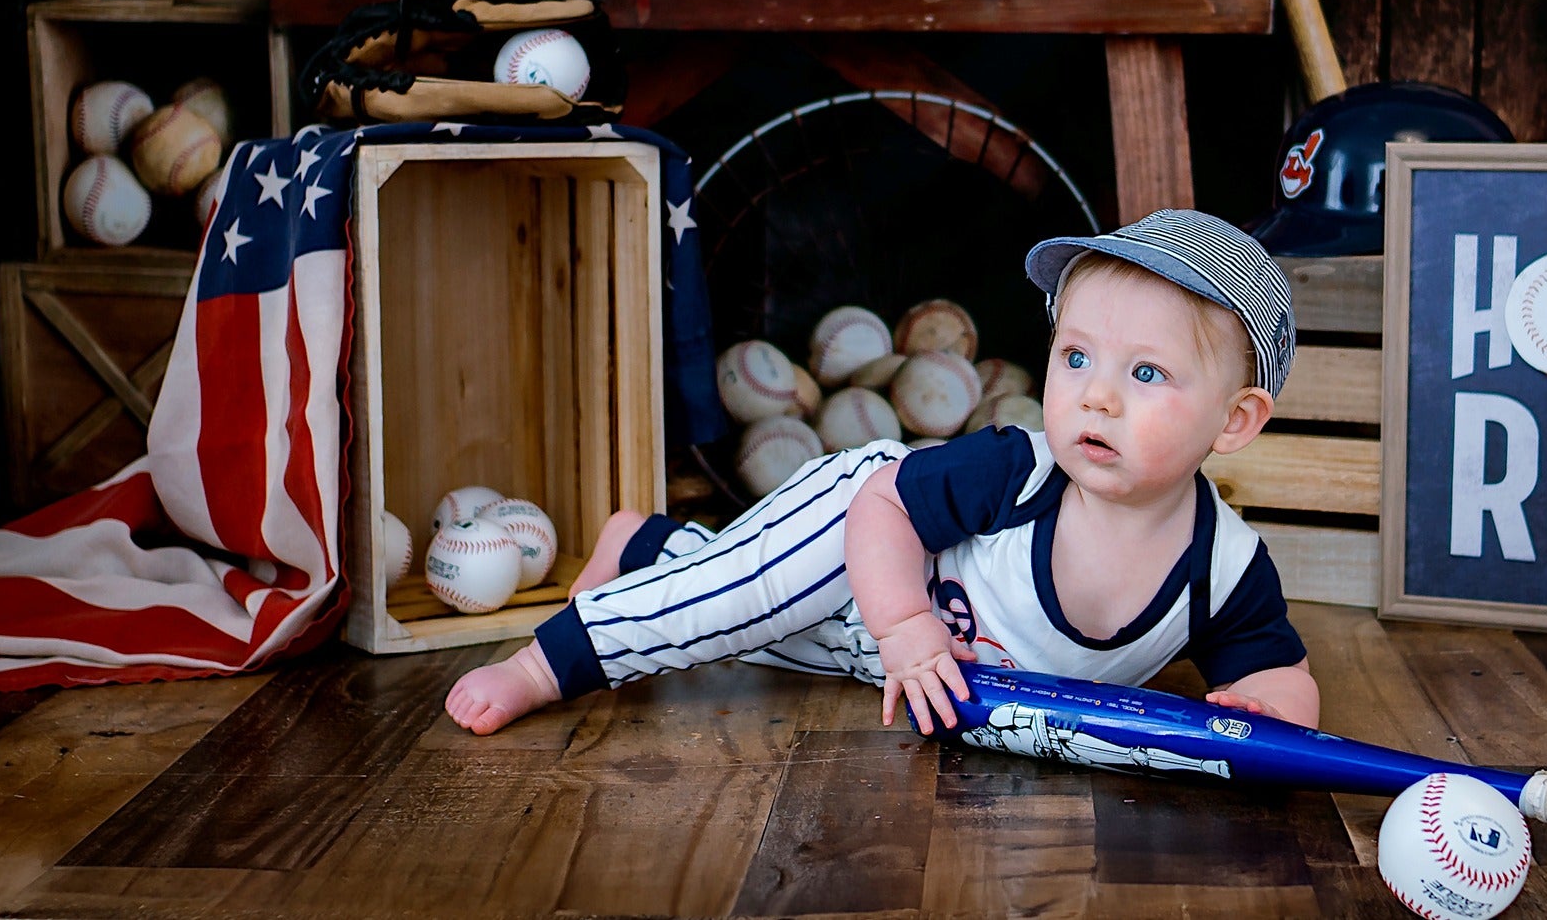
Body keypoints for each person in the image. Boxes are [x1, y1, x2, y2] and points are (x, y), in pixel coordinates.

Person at [445, 209, 1322, 737]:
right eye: (1077, 355)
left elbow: (1276, 667)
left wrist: (1274, 712)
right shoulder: (1020, 467)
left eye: (1145, 373)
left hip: (894, 649)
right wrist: (904, 623)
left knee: (775, 638)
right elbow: (885, 506)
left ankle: (649, 546)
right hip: (869, 527)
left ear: (1235, 419)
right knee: (731, 604)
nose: (1095, 398)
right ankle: (543, 664)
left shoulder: (1224, 565)